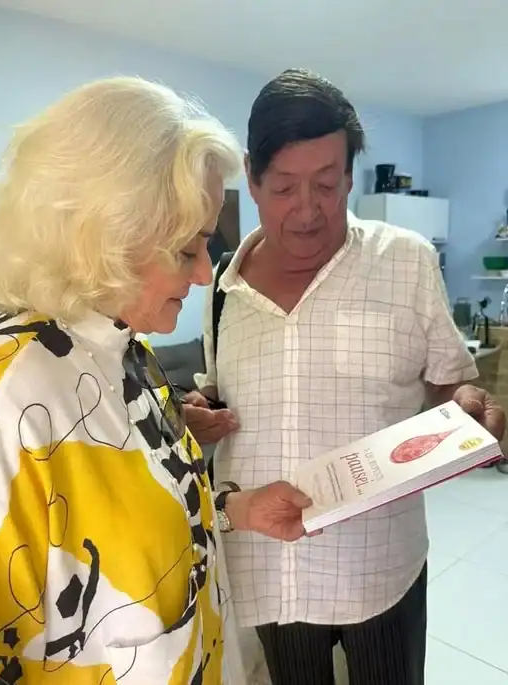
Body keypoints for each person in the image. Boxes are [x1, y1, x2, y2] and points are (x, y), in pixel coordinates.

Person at [0, 77, 314, 685]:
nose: (205, 273)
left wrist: (235, 509)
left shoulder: (127, 349)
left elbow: (137, 521)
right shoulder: (3, 400)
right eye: (187, 250)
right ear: (105, 239)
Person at [191, 69, 506, 685]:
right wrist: (202, 407)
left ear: (350, 176)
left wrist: (466, 401)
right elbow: (219, 386)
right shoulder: (221, 286)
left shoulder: (406, 262)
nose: (308, 210)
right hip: (271, 565)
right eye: (284, 187)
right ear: (251, 177)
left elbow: (449, 382)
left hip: (378, 565)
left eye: (327, 184)